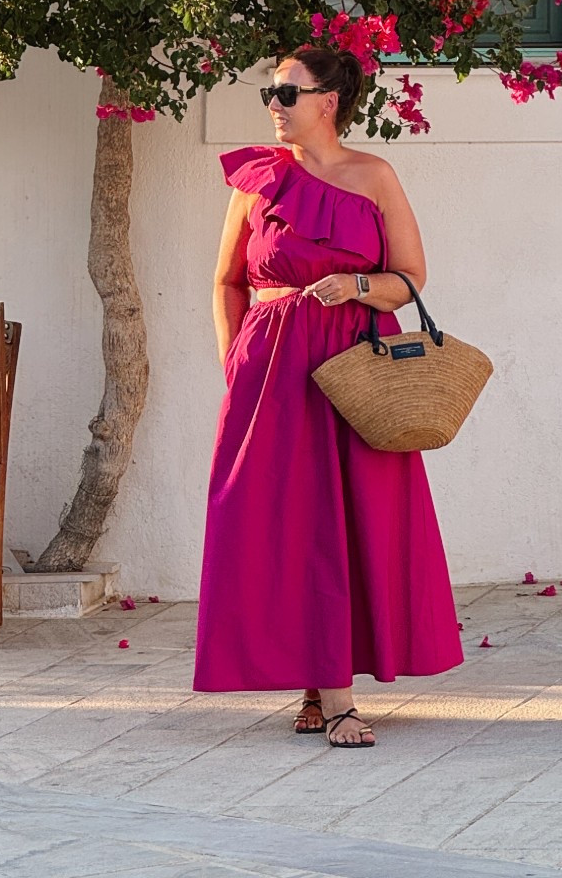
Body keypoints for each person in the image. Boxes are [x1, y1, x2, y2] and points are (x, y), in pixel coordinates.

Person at [192, 43, 463, 748]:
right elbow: (226, 280)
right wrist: (234, 361)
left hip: (354, 363)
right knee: (282, 520)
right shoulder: (255, 180)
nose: (274, 106)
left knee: (348, 517)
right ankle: (320, 686)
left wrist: (357, 288)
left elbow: (411, 276)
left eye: (286, 92)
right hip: (272, 368)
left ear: (327, 101)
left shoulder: (374, 176)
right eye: (270, 93)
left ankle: (332, 693)